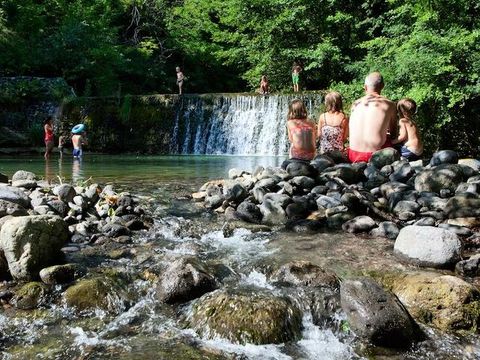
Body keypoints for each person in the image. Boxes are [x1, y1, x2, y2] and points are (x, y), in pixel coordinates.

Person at [348, 72, 397, 163]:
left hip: (353, 154)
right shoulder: (390, 104)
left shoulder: (355, 103)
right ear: (382, 86)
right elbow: (393, 133)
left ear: (365, 87)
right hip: (375, 156)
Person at [283, 99, 316, 168]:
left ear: (291, 111)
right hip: (311, 155)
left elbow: (291, 139)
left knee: (284, 164)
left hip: (297, 156)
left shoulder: (290, 123)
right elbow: (314, 138)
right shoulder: (311, 122)